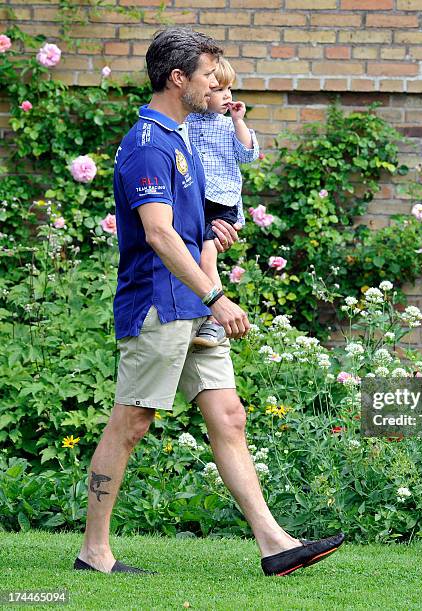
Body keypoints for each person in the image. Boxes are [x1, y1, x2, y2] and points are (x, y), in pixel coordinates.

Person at [73, 26, 344, 577]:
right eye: (204, 77)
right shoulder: (149, 145)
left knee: (229, 417)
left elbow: (189, 229)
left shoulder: (185, 138)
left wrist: (214, 234)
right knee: (132, 422)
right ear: (179, 80)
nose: (212, 86)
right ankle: (93, 552)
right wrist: (216, 295)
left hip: (193, 301)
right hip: (158, 303)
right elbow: (157, 234)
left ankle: (273, 544)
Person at [186, 57, 259, 348]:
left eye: (230, 88)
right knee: (196, 256)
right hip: (197, 199)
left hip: (222, 203)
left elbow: (248, 156)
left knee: (207, 255)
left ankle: (215, 320)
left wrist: (239, 121)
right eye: (218, 88)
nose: (227, 95)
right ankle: (206, 318)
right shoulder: (186, 121)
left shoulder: (228, 125)